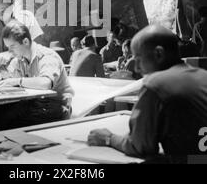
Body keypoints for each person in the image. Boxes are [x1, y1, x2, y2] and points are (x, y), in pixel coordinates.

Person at [87, 25, 207, 162]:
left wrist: (109, 138)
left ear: (158, 54)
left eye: (138, 58)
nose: (137, 68)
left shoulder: (155, 84)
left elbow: (140, 147)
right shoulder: (203, 75)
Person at [0, 20, 74, 130]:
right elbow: (8, 74)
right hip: (36, 104)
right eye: (7, 47)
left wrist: (17, 81)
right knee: (0, 110)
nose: (9, 51)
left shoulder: (47, 56)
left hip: (55, 107)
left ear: (25, 42)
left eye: (12, 46)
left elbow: (45, 83)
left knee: (7, 118)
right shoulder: (20, 58)